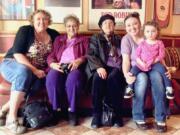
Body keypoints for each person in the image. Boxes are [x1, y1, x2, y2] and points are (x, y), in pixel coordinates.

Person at [0, 9, 59, 134]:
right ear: (32, 20)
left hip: (35, 72)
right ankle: (11, 119)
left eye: (44, 18)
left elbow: (58, 53)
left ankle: (3, 110)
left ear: (49, 21)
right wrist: (35, 70)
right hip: (13, 63)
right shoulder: (25, 30)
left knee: (38, 84)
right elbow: (17, 54)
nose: (41, 21)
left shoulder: (54, 34)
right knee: (23, 72)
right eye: (38, 18)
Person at [121, 12, 170, 133]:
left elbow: (160, 55)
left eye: (135, 24)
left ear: (140, 24)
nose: (132, 27)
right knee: (142, 79)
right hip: (138, 69)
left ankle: (160, 117)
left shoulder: (149, 33)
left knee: (158, 79)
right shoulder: (126, 39)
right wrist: (126, 75)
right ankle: (138, 116)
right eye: (128, 25)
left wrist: (166, 69)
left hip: (154, 67)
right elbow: (126, 61)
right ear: (125, 27)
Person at [46, 14, 88, 126]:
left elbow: (88, 55)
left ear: (78, 26)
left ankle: (72, 111)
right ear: (65, 27)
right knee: (51, 78)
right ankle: (56, 110)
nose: (71, 28)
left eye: (74, 26)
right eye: (69, 26)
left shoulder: (84, 40)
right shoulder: (59, 39)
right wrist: (52, 64)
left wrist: (79, 60)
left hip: (75, 67)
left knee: (73, 80)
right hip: (60, 66)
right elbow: (52, 55)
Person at [86, 14, 126, 128]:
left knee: (114, 78)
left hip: (117, 68)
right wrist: (99, 67)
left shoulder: (119, 39)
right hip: (101, 66)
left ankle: (118, 115)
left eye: (111, 23)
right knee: (98, 78)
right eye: (105, 23)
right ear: (101, 26)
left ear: (114, 25)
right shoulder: (96, 38)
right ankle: (96, 115)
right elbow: (91, 54)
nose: (108, 25)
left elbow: (124, 56)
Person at [124, 20, 174, 100]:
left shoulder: (159, 43)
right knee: (132, 71)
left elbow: (161, 55)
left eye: (153, 31)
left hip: (154, 64)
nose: (150, 34)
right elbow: (137, 55)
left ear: (157, 32)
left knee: (163, 69)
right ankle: (130, 89)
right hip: (142, 64)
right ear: (144, 32)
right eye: (148, 31)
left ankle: (169, 88)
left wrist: (153, 61)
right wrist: (141, 63)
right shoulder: (142, 43)